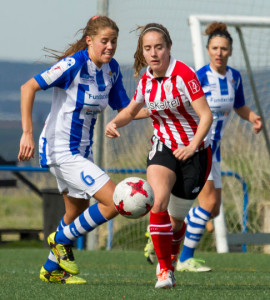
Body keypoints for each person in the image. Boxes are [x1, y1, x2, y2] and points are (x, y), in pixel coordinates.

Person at [18, 15, 141, 284]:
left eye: (114, 42)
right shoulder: (73, 64)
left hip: (83, 151)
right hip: (61, 150)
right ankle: (59, 240)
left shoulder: (112, 70)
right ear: (89, 41)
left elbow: (127, 110)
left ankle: (52, 270)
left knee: (76, 213)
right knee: (115, 201)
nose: (109, 47)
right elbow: (28, 88)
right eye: (104, 41)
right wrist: (26, 133)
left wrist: (162, 109)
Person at [105, 23, 213, 289]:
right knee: (158, 202)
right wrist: (114, 123)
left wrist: (191, 146)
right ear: (143, 52)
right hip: (163, 147)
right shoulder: (145, 80)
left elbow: (206, 115)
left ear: (169, 48)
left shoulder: (184, 75)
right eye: (148, 48)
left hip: (195, 153)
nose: (154, 53)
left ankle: (169, 258)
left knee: (177, 222)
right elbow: (132, 111)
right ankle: (164, 271)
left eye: (159, 47)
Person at [175, 22, 263, 272]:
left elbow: (239, 106)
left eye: (224, 48)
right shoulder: (200, 76)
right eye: (214, 48)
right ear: (207, 49)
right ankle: (184, 259)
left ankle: (165, 230)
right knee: (207, 204)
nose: (219, 52)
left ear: (230, 51)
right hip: (198, 147)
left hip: (216, 150)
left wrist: (252, 117)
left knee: (212, 210)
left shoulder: (234, 77)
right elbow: (183, 106)